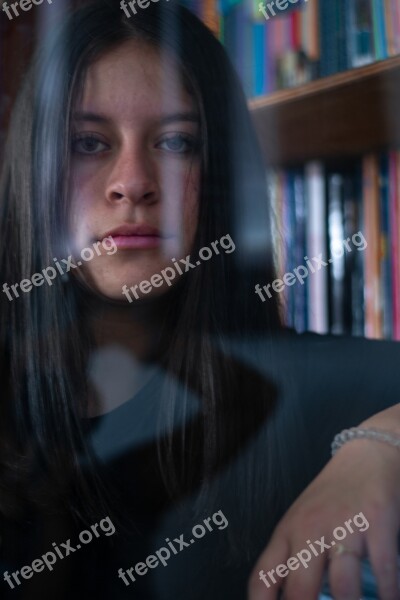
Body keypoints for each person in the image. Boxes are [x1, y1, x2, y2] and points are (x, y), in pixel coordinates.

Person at [1, 2, 400, 599]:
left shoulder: (293, 383)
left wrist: (381, 450)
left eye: (175, 142)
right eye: (88, 141)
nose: (132, 181)